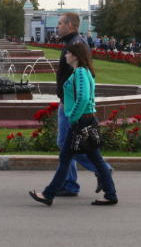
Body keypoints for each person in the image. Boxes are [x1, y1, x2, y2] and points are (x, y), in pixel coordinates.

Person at [29, 41, 118, 206]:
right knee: (93, 159)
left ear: (76, 56)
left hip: (81, 121)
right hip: (85, 119)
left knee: (67, 158)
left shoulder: (81, 73)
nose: (66, 55)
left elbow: (84, 98)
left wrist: (73, 118)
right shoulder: (81, 71)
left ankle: (48, 194)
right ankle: (111, 194)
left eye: (68, 53)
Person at [51, 12, 97, 196]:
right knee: (65, 144)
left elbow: (81, 76)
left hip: (70, 105)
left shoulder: (76, 44)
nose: (58, 26)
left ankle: (100, 169)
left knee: (67, 143)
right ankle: (70, 183)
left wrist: (70, 104)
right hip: (67, 102)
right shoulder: (73, 43)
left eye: (61, 23)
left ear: (70, 25)